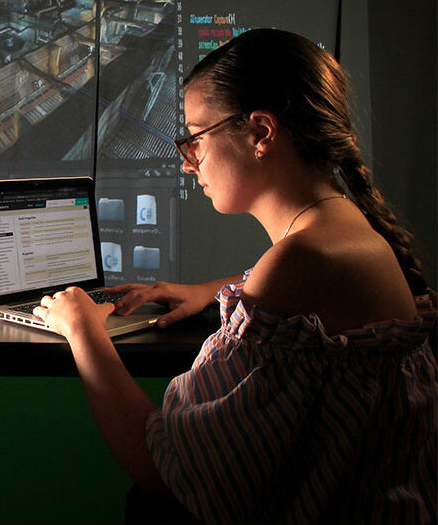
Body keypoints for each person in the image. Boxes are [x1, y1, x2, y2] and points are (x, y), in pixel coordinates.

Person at [34, 29, 436, 523]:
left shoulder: (297, 264)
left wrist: (81, 327)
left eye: (195, 137)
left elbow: (164, 472)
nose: (187, 163)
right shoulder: (341, 230)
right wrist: (210, 291)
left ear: (260, 134)